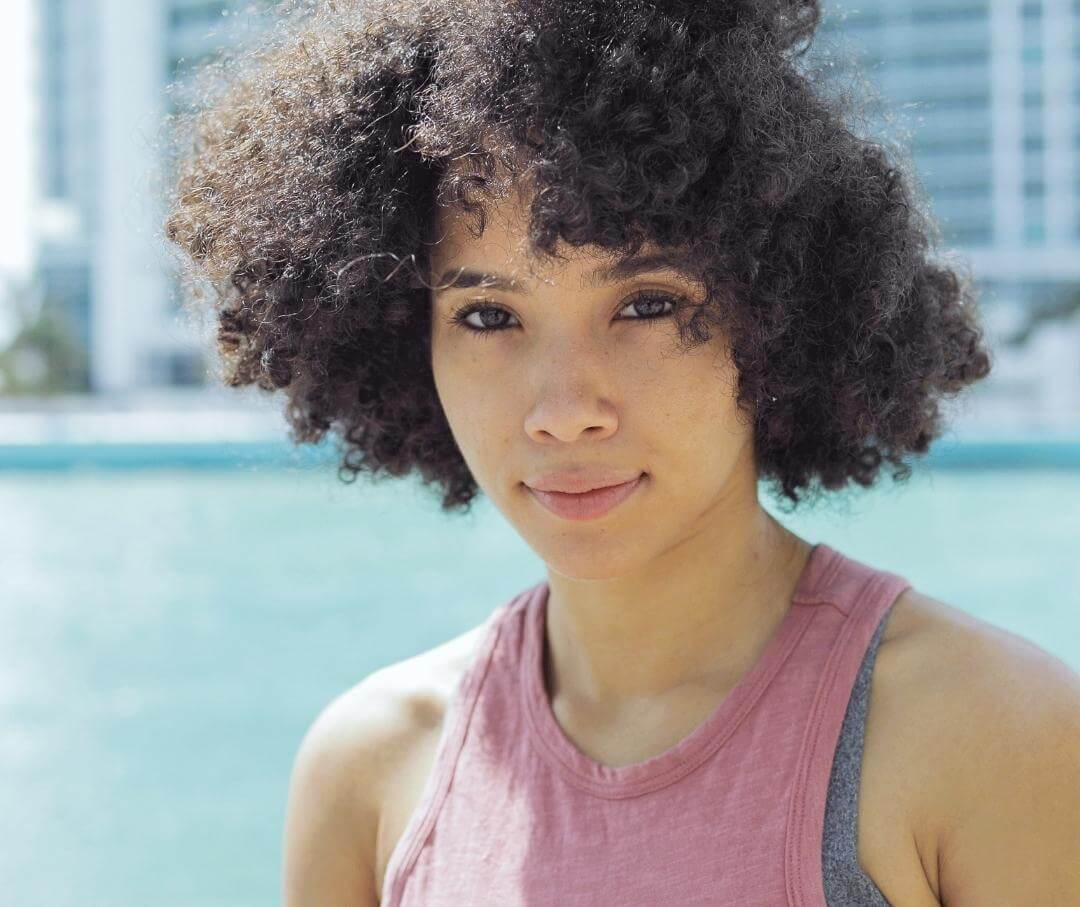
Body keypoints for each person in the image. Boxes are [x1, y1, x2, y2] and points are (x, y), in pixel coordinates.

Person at [162, 0, 1080, 904]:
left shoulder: (991, 733)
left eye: (646, 304)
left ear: (774, 314)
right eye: (489, 315)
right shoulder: (369, 770)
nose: (564, 411)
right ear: (407, 340)